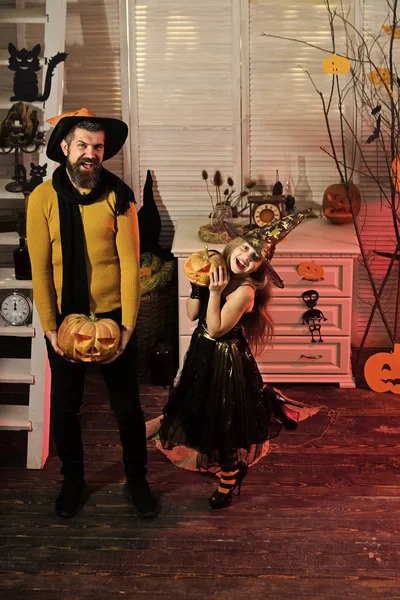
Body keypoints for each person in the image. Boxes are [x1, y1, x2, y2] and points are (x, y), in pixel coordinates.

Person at [26, 108, 158, 519]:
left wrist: (128, 327)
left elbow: (129, 267)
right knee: (66, 407)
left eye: (97, 147)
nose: (90, 153)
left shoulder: (119, 197)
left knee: (127, 407)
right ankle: (73, 481)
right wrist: (49, 328)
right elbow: (41, 268)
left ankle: (137, 480)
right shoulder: (42, 200)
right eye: (82, 144)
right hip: (65, 320)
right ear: (64, 147)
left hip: (113, 317)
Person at [158, 211, 310, 509]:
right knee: (200, 412)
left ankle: (230, 475)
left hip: (226, 363)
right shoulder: (218, 272)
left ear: (258, 267)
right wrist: (199, 285)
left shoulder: (244, 292)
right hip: (202, 354)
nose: (245, 257)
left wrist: (214, 292)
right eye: (244, 247)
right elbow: (192, 316)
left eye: (254, 257)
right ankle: (229, 458)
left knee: (222, 420)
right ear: (233, 244)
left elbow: (215, 328)